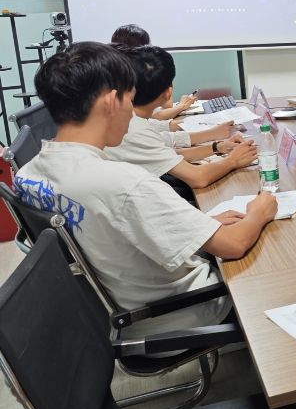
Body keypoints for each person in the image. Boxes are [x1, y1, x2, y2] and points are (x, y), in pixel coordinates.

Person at [13, 42, 278, 339]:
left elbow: (108, 232)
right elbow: (234, 244)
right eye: (130, 99)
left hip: (113, 311)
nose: (132, 113)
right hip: (179, 313)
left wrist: (198, 225)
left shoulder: (28, 174)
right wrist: (259, 211)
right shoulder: (124, 183)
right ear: (111, 102)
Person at [104, 45, 257, 194]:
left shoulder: (126, 117)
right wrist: (233, 160)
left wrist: (218, 147)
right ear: (168, 91)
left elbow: (166, 151)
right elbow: (198, 178)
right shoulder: (133, 128)